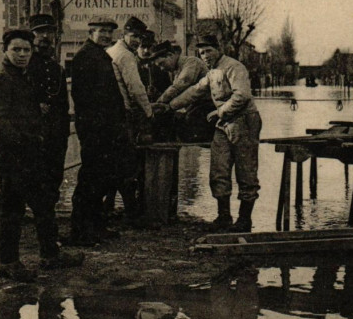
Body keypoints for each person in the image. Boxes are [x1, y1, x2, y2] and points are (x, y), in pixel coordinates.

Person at [0, 29, 84, 282]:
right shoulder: (4, 80)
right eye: (16, 50)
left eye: (26, 50)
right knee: (12, 210)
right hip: (14, 158)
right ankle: (8, 262)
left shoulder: (23, 77)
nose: (22, 55)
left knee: (43, 205)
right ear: (5, 51)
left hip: (30, 156)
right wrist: (23, 142)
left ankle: (50, 255)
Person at [163, 35, 261, 232]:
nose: (205, 56)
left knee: (246, 171)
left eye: (208, 51)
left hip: (244, 121)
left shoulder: (234, 67)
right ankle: (223, 216)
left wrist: (219, 112)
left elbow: (242, 95)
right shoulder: (212, 72)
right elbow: (195, 91)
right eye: (201, 53)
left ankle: (244, 220)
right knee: (219, 170)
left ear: (219, 48)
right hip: (224, 124)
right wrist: (168, 106)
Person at [70, 17, 128, 245]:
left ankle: (96, 226)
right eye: (102, 31)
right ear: (91, 32)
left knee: (100, 180)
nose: (106, 36)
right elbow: (84, 98)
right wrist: (95, 128)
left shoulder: (100, 55)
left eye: (110, 32)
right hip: (95, 130)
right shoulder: (86, 57)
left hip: (105, 130)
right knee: (90, 181)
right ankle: (81, 231)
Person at [107, 16, 152, 221]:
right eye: (133, 36)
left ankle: (108, 207)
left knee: (114, 163)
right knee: (127, 164)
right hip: (123, 114)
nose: (136, 41)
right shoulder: (125, 56)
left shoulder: (112, 51)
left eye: (139, 37)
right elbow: (135, 88)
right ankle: (132, 213)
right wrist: (149, 112)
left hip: (112, 113)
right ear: (124, 34)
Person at [26, 14, 70, 213]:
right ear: (32, 35)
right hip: (33, 136)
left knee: (53, 182)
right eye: (40, 32)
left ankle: (48, 230)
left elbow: (62, 105)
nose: (45, 36)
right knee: (33, 183)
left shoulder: (56, 68)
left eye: (49, 31)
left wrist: (62, 135)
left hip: (55, 136)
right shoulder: (26, 65)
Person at [153, 40, 214, 143]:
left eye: (162, 64)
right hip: (196, 105)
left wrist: (160, 102)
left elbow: (180, 85)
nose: (162, 68)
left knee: (188, 126)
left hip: (207, 105)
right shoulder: (177, 70)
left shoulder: (191, 62)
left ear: (170, 55)